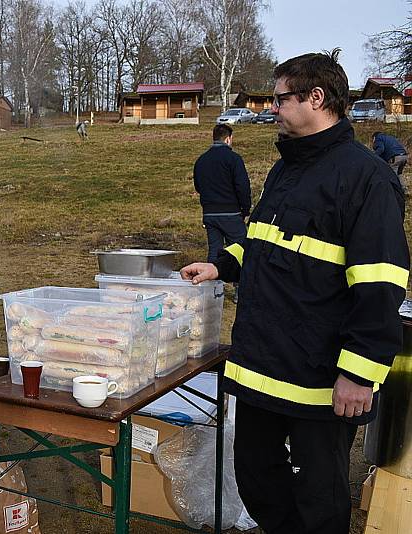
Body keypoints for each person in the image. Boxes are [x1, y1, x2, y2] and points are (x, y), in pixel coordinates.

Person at [180, 50, 409, 534]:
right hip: (263, 366)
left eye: (282, 98)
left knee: (319, 502)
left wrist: (359, 373)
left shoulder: (367, 179)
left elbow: (381, 283)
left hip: (322, 381)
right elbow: (264, 243)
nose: (272, 109)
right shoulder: (287, 170)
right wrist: (220, 264)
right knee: (257, 480)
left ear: (316, 98)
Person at [192, 123, 251, 263]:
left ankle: (213, 283)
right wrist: (245, 209)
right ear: (228, 139)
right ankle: (240, 284)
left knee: (214, 251)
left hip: (209, 214)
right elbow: (242, 186)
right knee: (241, 250)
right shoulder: (234, 158)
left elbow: (198, 186)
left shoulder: (201, 160)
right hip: (231, 213)